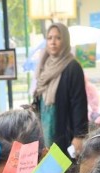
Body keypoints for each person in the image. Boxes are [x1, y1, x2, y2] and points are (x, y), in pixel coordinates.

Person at [33, 23, 88, 157]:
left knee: (63, 168)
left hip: (64, 133)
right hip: (44, 132)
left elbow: (79, 103)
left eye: (58, 38)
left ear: (65, 40)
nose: (53, 42)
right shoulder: (44, 66)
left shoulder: (73, 67)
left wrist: (79, 136)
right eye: (49, 38)